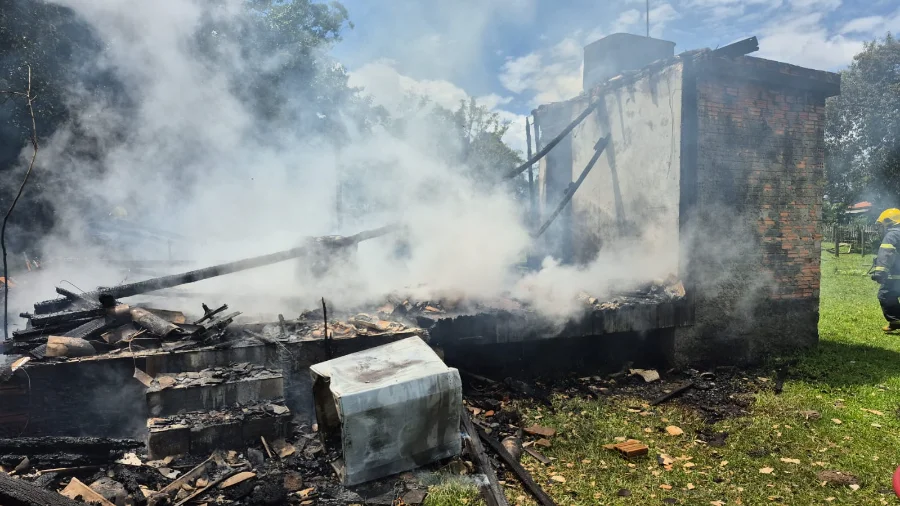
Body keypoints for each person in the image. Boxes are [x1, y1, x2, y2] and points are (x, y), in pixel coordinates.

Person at [872, 208, 900, 332]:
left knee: (885, 295)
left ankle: (895, 321)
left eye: (882, 224)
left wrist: (880, 272)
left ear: (888, 222)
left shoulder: (892, 235)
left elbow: (886, 253)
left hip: (895, 275)